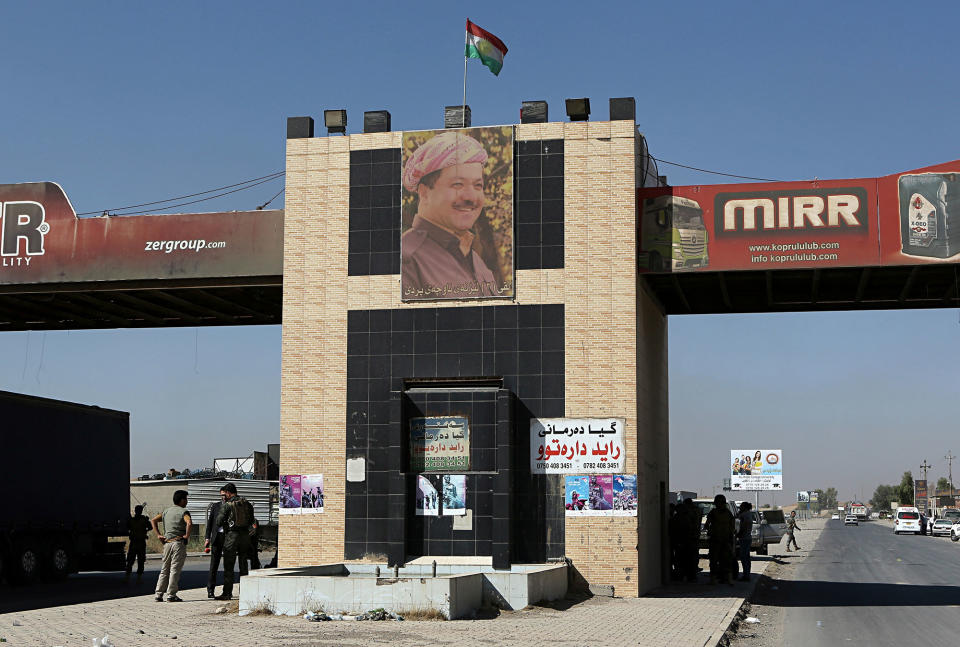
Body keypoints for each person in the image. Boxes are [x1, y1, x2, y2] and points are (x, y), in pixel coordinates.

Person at [400, 131, 499, 300]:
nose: (470, 197)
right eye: (457, 184)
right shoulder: (406, 260)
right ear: (424, 193)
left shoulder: (476, 262)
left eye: (477, 185)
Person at [214, 482, 255, 600]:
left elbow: (218, 521)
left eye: (224, 494)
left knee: (228, 565)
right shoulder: (247, 504)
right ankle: (245, 593)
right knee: (243, 565)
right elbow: (252, 520)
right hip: (245, 537)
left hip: (232, 537)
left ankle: (227, 593)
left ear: (227, 493)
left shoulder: (228, 505)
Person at [151, 490, 192, 602]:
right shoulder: (184, 512)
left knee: (165, 569)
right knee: (175, 569)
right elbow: (188, 523)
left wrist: (159, 535)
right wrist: (186, 536)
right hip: (178, 543)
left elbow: (153, 520)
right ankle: (171, 594)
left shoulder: (166, 511)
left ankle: (158, 594)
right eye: (186, 499)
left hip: (167, 543)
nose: (187, 501)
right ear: (182, 500)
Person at [704, 494, 735, 585]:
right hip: (726, 540)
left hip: (716, 540)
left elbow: (706, 525)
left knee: (714, 560)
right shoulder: (728, 513)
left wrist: (710, 530)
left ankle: (713, 580)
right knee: (726, 561)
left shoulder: (713, 512)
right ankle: (729, 580)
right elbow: (732, 527)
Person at [204, 486, 228, 598]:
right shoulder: (215, 506)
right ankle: (210, 589)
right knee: (214, 565)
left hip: (227, 537)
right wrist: (207, 538)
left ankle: (227, 590)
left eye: (225, 494)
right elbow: (210, 523)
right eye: (221, 495)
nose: (223, 497)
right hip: (216, 537)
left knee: (228, 565)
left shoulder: (232, 505)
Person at [125, 505, 151, 581]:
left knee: (130, 560)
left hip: (133, 542)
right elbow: (150, 527)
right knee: (141, 560)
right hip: (141, 542)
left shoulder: (131, 520)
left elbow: (127, 527)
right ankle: (139, 577)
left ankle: (127, 576)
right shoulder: (144, 520)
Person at [736, 502, 754, 581]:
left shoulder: (744, 515)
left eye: (741, 506)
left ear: (745, 507)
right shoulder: (749, 514)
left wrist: (737, 535)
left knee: (744, 557)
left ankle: (746, 576)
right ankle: (747, 574)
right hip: (748, 537)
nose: (740, 508)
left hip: (744, 538)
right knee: (747, 557)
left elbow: (742, 527)